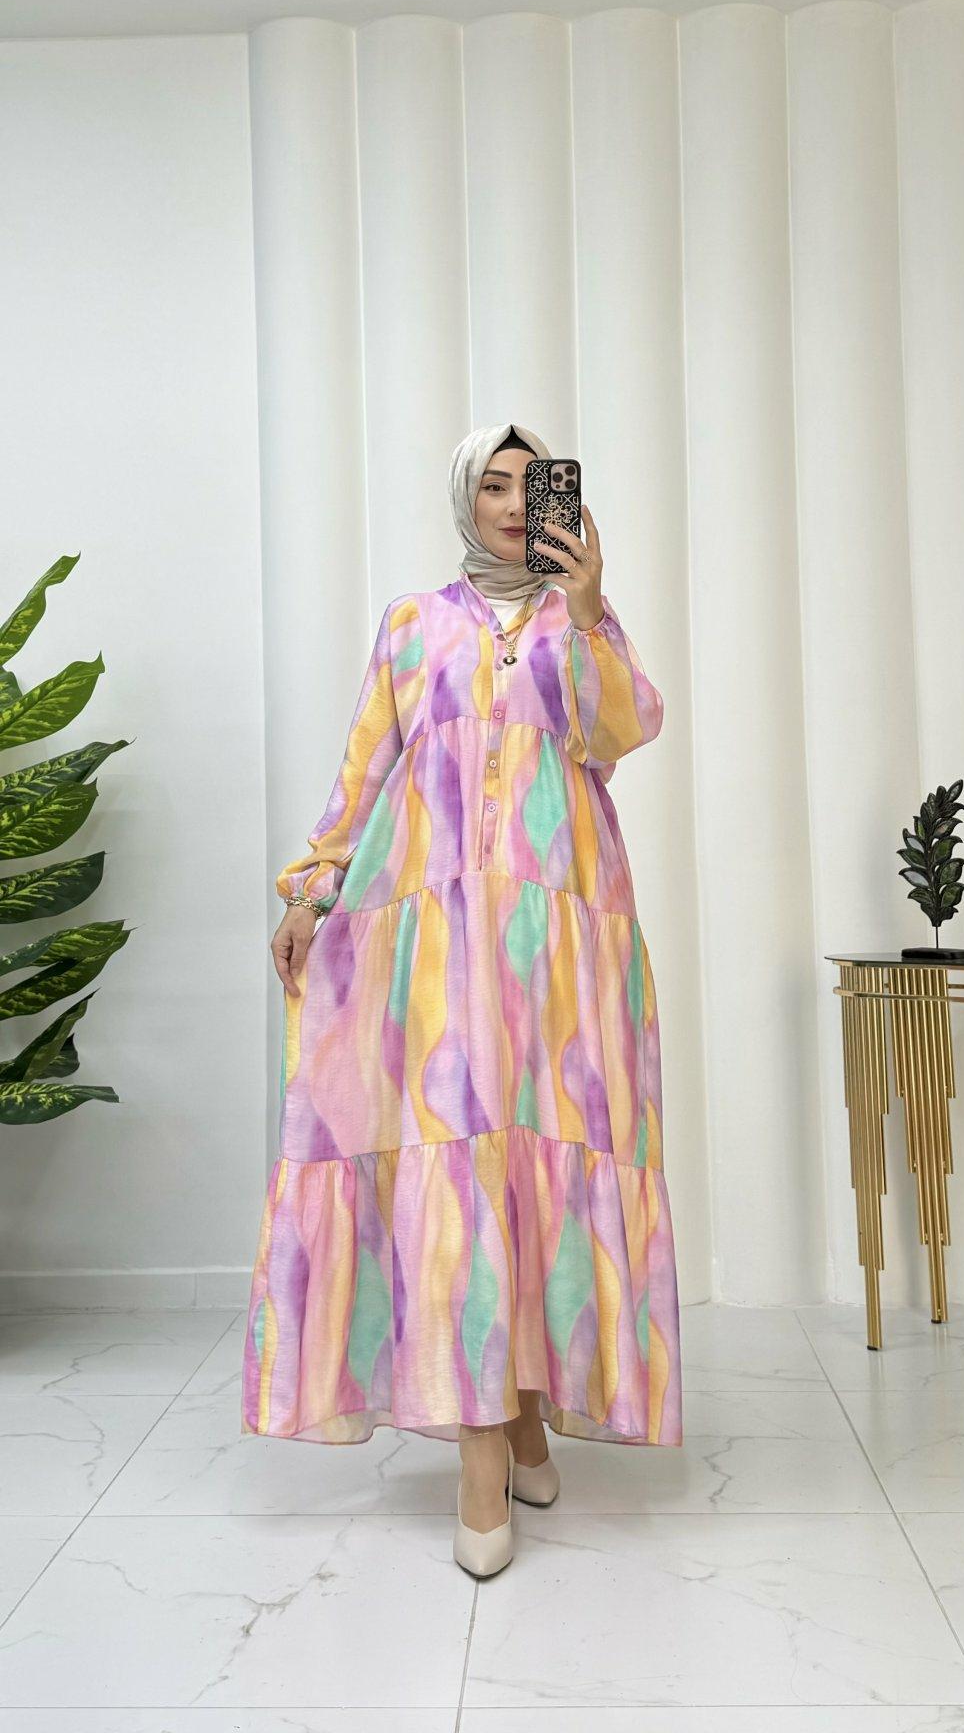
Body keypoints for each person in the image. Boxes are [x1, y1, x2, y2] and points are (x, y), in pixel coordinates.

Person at [241, 422, 683, 1578]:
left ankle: (525, 1413)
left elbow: (620, 732)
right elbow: (366, 772)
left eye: (533, 484)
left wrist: (589, 605)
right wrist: (313, 890)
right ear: (464, 498)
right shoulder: (411, 624)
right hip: (430, 943)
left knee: (533, 1155)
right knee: (459, 1164)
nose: (514, 501)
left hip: (556, 944)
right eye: (493, 482)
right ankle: (484, 1453)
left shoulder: (580, 622)